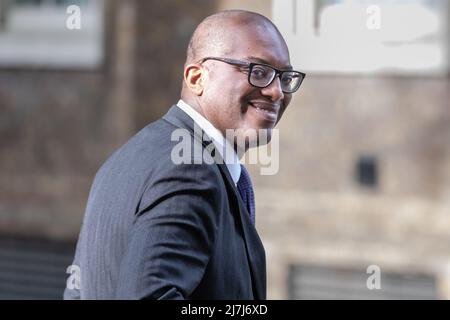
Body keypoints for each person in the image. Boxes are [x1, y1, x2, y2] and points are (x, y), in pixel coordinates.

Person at [64, 9, 305, 300]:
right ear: (196, 77)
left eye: (284, 77)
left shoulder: (124, 159)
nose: (277, 92)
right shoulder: (191, 171)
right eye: (259, 72)